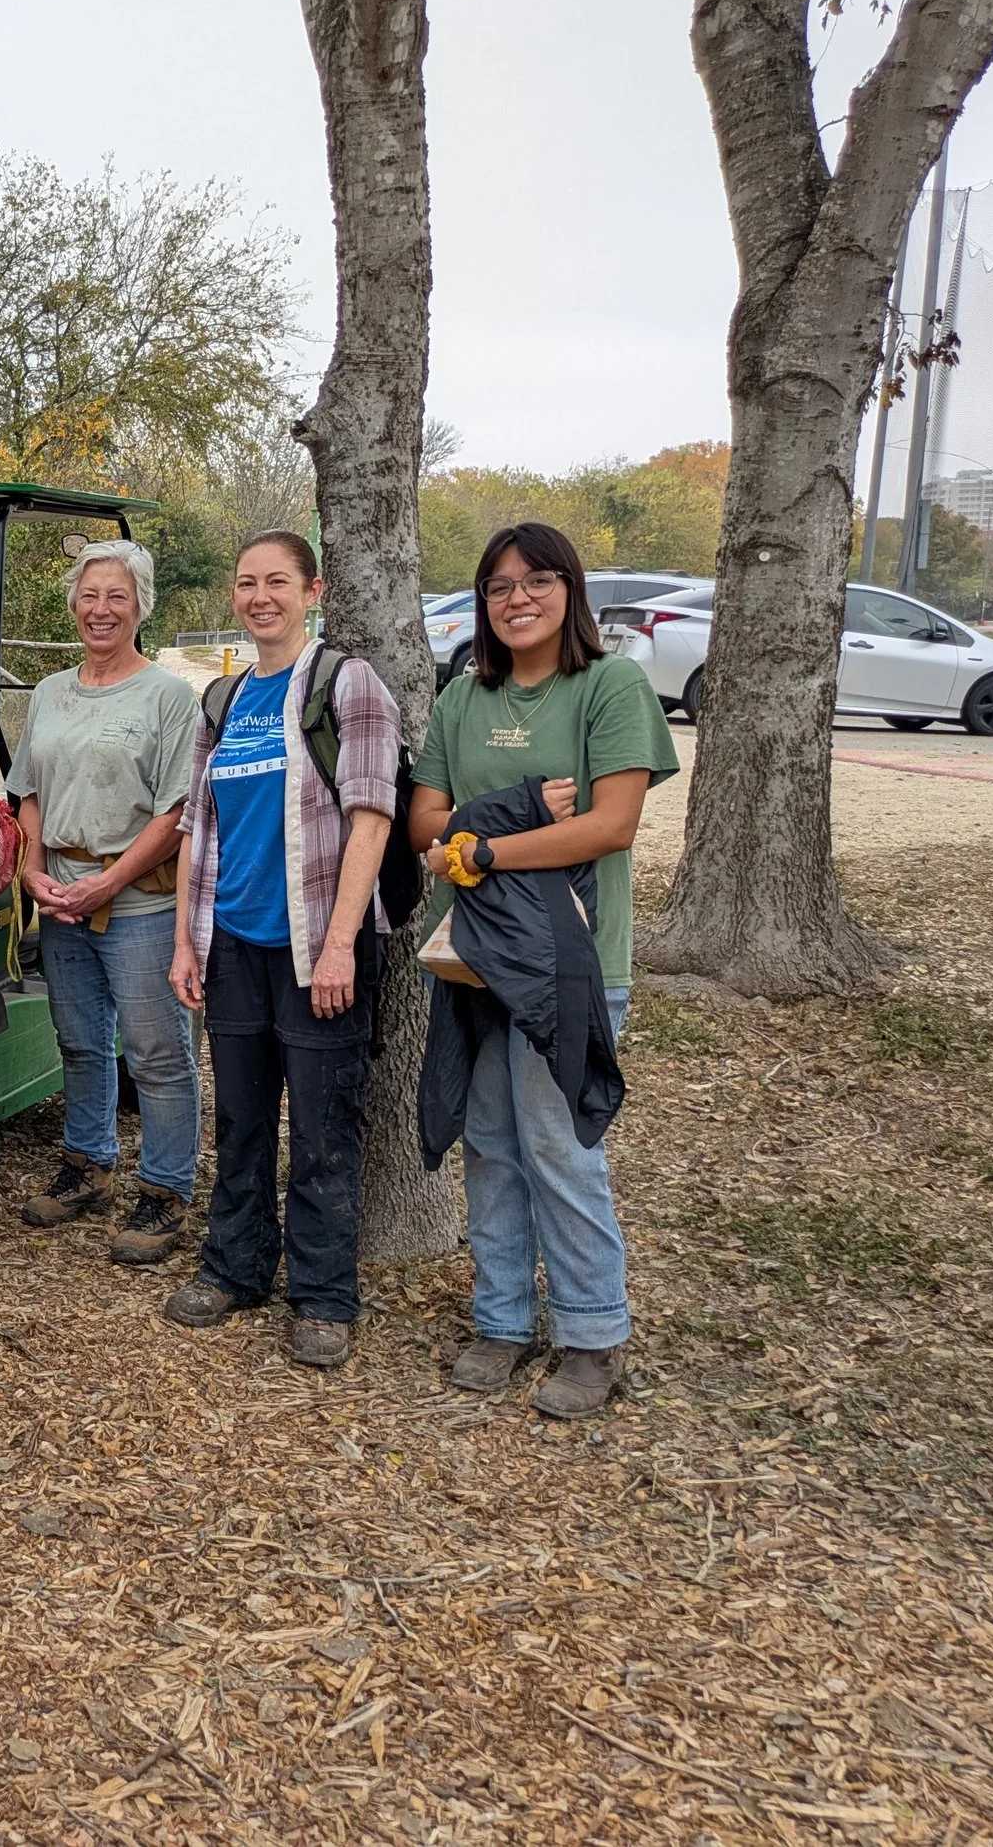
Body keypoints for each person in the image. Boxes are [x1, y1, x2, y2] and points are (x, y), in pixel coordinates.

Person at [408, 521, 678, 1419]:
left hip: (570, 966)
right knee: (489, 1143)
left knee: (559, 1148)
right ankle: (502, 1321)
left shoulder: (609, 687)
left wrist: (480, 846)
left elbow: (610, 827)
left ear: (571, 590)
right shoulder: (464, 699)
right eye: (498, 586)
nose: (516, 599)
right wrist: (502, 819)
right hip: (474, 964)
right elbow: (425, 826)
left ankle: (594, 1335)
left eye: (536, 581)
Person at [166, 533, 401, 1366]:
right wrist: (186, 944)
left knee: (326, 1129)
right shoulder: (222, 701)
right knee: (240, 1120)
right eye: (246, 583)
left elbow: (372, 813)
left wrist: (341, 943)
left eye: (278, 582)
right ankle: (234, 1268)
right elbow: (199, 827)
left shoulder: (347, 685)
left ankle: (324, 1296)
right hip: (234, 946)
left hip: (316, 949)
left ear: (313, 590)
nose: (261, 596)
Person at [7, 539, 202, 1263]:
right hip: (62, 896)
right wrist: (32, 867)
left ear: (140, 606)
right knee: (82, 1043)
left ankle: (164, 1189)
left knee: (156, 1052)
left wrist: (111, 881)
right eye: (90, 595)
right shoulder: (52, 691)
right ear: (72, 603)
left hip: (138, 902)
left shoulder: (167, 696)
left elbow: (178, 810)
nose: (101, 609)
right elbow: (27, 789)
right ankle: (88, 1164)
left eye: (117, 596)